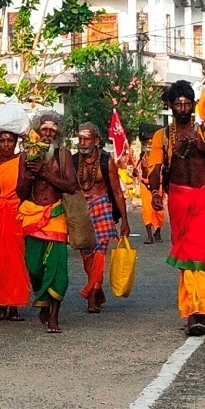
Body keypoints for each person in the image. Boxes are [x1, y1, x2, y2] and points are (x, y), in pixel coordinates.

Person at [148, 81, 205, 337]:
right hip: (178, 198)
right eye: (177, 104)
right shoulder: (162, 136)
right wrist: (154, 192)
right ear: (171, 106)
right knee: (186, 255)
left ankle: (197, 313)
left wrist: (203, 148)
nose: (182, 108)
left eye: (186, 103)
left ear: (193, 104)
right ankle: (193, 310)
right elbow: (155, 168)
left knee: (197, 254)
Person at [16, 112, 77, 334]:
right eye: (44, 130)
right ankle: (43, 300)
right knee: (33, 267)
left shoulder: (63, 155)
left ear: (58, 133)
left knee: (56, 267)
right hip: (32, 214)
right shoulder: (26, 157)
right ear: (37, 131)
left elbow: (71, 186)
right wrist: (30, 176)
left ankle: (53, 316)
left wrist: (44, 173)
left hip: (56, 216)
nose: (48, 134)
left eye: (53, 130)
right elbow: (20, 193)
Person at [73, 123, 131, 313]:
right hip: (81, 209)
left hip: (102, 207)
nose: (83, 143)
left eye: (87, 139)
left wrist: (125, 221)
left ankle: (91, 294)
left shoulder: (107, 161)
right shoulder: (73, 162)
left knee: (99, 253)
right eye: (80, 139)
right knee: (86, 254)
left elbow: (117, 191)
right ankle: (96, 289)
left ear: (96, 140)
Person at [0, 129, 31, 322]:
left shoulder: (22, 161)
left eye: (10, 140)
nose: (6, 144)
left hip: (15, 213)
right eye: (2, 141)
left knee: (16, 260)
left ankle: (14, 304)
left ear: (16, 142)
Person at [138, 132, 165, 244]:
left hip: (159, 186)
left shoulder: (161, 157)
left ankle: (157, 231)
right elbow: (137, 172)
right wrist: (136, 172)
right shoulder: (141, 158)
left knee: (159, 211)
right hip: (145, 186)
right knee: (147, 211)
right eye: (147, 143)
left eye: (151, 143)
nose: (149, 145)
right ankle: (149, 236)